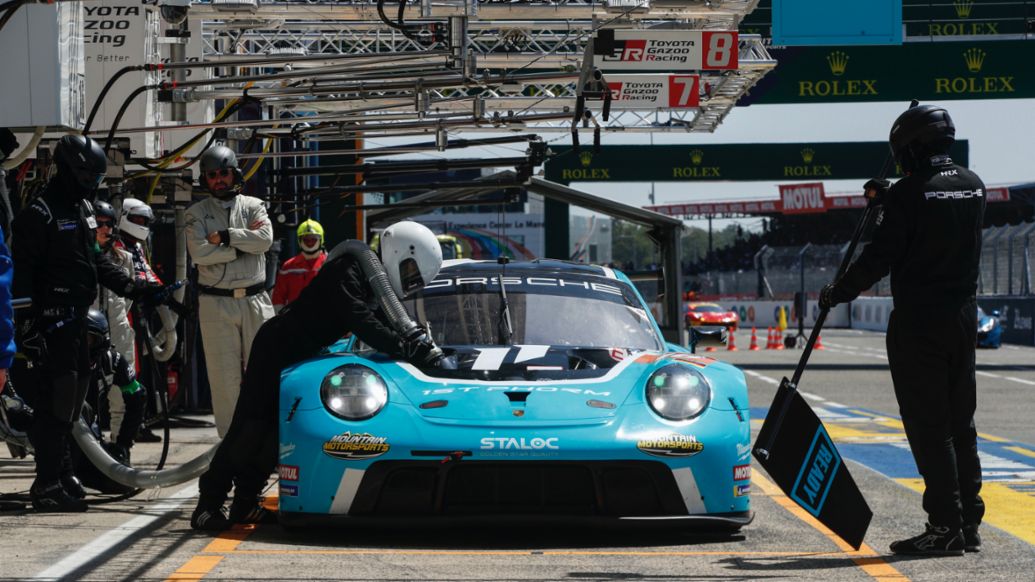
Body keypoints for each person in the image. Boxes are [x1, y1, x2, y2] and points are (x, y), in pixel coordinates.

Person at [190, 220, 447, 530]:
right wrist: (405, 348)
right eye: (409, 272)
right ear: (398, 252)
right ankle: (207, 505)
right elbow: (363, 320)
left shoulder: (369, 280)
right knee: (249, 428)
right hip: (277, 346)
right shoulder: (348, 269)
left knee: (274, 435)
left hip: (301, 353)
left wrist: (419, 348)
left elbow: (388, 322)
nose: (407, 281)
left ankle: (245, 504)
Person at [820, 104, 986, 556]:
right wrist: (892, 199)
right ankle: (968, 522)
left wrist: (838, 292)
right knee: (961, 424)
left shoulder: (907, 194)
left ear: (911, 146)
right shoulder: (974, 186)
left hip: (919, 322)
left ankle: (943, 526)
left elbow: (880, 257)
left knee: (929, 427)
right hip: (963, 316)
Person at [11, 135, 163, 512]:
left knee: (73, 408)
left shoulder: (84, 210)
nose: (93, 184)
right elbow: (20, 277)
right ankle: (46, 484)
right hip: (50, 325)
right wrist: (26, 331)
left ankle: (62, 475)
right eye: (88, 177)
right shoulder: (39, 214)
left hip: (80, 320)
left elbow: (97, 260)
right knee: (55, 407)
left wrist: (136, 287)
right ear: (70, 170)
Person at [185, 145, 274, 437]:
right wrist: (237, 250)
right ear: (205, 179)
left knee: (266, 373)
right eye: (212, 175)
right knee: (224, 380)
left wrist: (225, 237)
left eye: (223, 173)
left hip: (256, 300)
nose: (219, 179)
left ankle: (267, 440)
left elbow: (263, 240)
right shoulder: (195, 214)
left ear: (234, 173)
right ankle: (231, 447)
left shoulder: (253, 206)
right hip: (216, 303)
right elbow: (198, 253)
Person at [91, 200, 140, 450]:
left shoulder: (126, 259)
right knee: (88, 399)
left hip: (118, 333)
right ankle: (89, 455)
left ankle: (121, 449)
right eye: (98, 224)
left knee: (122, 398)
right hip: (89, 336)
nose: (104, 229)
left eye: (108, 224)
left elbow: (128, 296)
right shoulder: (80, 258)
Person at [271, 219, 326, 312]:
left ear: (321, 239)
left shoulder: (329, 263)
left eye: (313, 239)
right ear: (299, 241)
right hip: (295, 320)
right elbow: (278, 298)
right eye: (306, 240)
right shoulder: (288, 267)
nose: (309, 243)